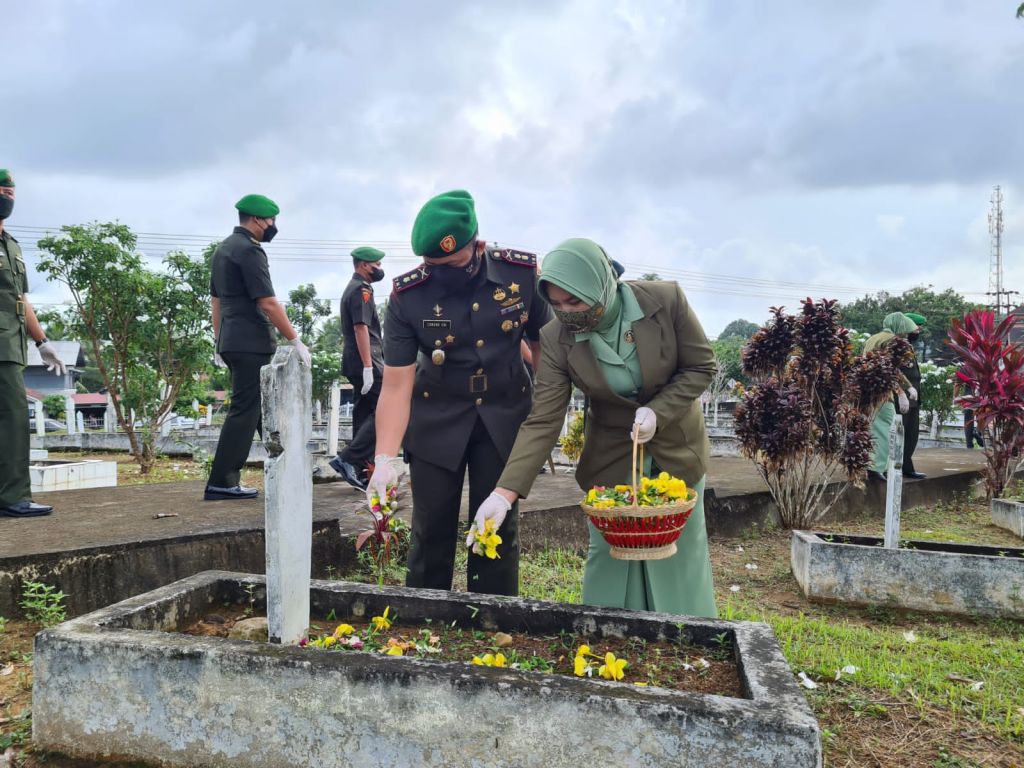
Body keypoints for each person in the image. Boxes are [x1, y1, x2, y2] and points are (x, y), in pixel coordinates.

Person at [471, 238, 718, 617]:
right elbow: (544, 418)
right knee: (610, 555)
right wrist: (504, 494)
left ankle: (686, 634)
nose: (566, 313)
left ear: (602, 284)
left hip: (675, 447)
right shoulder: (557, 338)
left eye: (575, 301)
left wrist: (658, 411)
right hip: (612, 454)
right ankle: (610, 639)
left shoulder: (665, 301)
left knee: (678, 551)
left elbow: (701, 367)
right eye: (555, 304)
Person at [367, 190, 552, 595]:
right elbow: (397, 385)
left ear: (477, 244)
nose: (440, 272)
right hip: (437, 419)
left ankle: (494, 618)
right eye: (432, 264)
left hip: (503, 416)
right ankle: (424, 616)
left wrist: (548, 415)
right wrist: (384, 458)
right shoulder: (408, 296)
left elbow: (545, 352)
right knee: (430, 527)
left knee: (496, 528)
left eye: (451, 264)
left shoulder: (521, 275)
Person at [205, 194, 311, 501]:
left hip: (232, 340)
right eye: (271, 221)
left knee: (265, 411)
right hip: (251, 341)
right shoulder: (250, 251)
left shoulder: (223, 248)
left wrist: (219, 340)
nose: (273, 227)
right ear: (256, 220)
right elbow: (267, 302)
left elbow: (216, 301)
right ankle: (223, 480)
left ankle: (291, 463)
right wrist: (295, 340)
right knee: (246, 409)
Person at [0, 169, 66, 518]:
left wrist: (41, 341)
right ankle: (13, 497)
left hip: (11, 345)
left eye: (10, 191)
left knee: (10, 419)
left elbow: (21, 300)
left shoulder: (11, 244)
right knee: (12, 419)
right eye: (1, 190)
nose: (7, 196)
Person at [331, 246, 386, 490]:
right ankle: (348, 460)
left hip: (359, 361)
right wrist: (367, 367)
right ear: (364, 265)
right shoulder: (361, 289)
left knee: (364, 414)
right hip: (367, 362)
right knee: (388, 409)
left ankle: (361, 472)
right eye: (377, 264)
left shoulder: (355, 287)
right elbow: (360, 328)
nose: (380, 269)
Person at [863, 312, 917, 482]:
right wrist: (901, 392)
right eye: (904, 331)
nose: (905, 336)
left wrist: (907, 386)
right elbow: (889, 369)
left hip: (868, 388)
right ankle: (876, 468)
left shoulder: (874, 338)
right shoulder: (891, 340)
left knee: (874, 426)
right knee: (886, 426)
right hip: (881, 390)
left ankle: (876, 466)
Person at [901, 312, 927, 479]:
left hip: (913, 399)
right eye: (917, 328)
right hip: (903, 398)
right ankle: (900, 467)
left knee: (912, 435)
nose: (919, 332)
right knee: (903, 434)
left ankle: (907, 466)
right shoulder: (899, 346)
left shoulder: (908, 346)